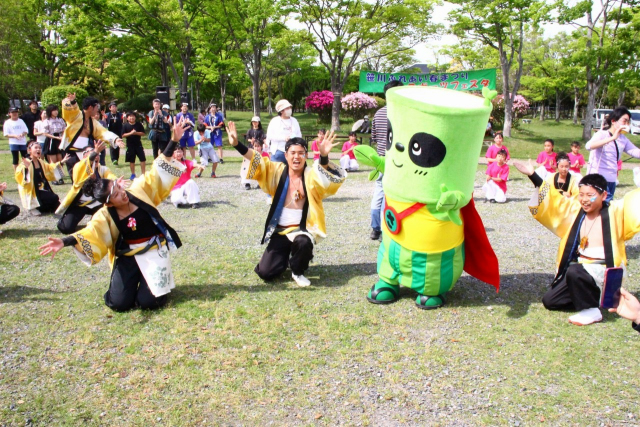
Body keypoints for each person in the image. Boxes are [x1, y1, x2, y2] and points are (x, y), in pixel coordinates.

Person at [38, 119, 188, 312]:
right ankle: (134, 282)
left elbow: (156, 172)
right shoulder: (105, 215)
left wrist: (173, 140)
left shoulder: (137, 190)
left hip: (153, 250)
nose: (122, 194)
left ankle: (152, 286)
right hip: (128, 255)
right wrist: (64, 241)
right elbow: (92, 232)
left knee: (148, 303)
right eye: (117, 194)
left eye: (119, 188)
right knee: (118, 303)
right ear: (108, 203)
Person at [513, 160, 640, 326]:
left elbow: (634, 203)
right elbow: (554, 200)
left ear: (603, 195)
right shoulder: (575, 210)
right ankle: (594, 299)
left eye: (590, 195)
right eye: (581, 195)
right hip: (582, 271)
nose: (584, 200)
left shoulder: (616, 211)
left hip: (605, 270)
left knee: (574, 271)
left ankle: (592, 310)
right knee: (550, 301)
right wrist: (532, 175)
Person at [227, 121, 347, 287]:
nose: (296, 157)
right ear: (286, 155)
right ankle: (287, 258)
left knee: (303, 242)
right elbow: (257, 160)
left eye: (301, 153)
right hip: (281, 231)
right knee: (266, 273)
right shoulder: (276, 171)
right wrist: (236, 144)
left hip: (302, 230)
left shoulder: (311, 176)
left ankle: (297, 270)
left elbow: (325, 178)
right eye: (293, 153)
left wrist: (324, 157)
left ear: (306, 155)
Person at [55, 142, 118, 234]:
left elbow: (111, 177)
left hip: (98, 203)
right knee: (66, 228)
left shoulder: (102, 169)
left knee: (107, 224)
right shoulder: (78, 167)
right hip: (81, 204)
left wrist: (116, 181)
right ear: (84, 156)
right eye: (92, 153)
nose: (96, 156)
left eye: (98, 154)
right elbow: (86, 163)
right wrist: (95, 152)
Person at [369, 80, 404, 240]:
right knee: (392, 194)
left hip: (380, 159)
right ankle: (386, 228)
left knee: (379, 191)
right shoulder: (402, 113)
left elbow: (374, 137)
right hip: (396, 159)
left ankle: (375, 228)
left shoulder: (378, 113)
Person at [60, 93, 124, 179]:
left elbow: (103, 132)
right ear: (90, 107)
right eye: (97, 107)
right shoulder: (76, 116)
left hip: (87, 153)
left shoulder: (93, 122)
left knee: (90, 178)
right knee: (77, 180)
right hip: (72, 153)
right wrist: (73, 102)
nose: (98, 110)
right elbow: (70, 112)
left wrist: (115, 139)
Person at [586, 107, 640, 202]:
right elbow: (589, 146)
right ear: (613, 121)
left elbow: (635, 151)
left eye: (628, 122)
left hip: (612, 179)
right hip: (598, 179)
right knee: (594, 205)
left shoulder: (623, 139)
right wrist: (612, 138)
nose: (626, 124)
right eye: (624, 121)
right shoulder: (602, 134)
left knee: (608, 207)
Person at [15, 141, 69, 216]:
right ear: (29, 150)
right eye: (36, 148)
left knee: (56, 204)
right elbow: (19, 175)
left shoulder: (40, 161)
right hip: (31, 189)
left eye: (40, 148)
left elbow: (49, 168)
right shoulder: (26, 162)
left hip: (41, 188)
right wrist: (26, 168)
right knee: (54, 197)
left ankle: (41, 207)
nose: (38, 149)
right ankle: (31, 208)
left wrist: (61, 162)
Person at [241, 117, 265, 189]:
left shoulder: (261, 131)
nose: (254, 123)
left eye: (256, 122)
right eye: (253, 122)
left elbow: (263, 139)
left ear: (258, 122)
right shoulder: (250, 130)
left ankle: (260, 182)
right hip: (250, 149)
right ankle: (247, 183)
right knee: (247, 165)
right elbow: (247, 138)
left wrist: (257, 142)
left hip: (258, 149)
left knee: (260, 165)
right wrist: (251, 140)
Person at [43, 104, 66, 176]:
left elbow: (64, 129)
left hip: (60, 139)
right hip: (51, 140)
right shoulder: (47, 121)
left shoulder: (60, 120)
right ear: (50, 111)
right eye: (54, 110)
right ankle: (54, 176)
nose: (56, 112)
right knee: (53, 160)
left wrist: (62, 136)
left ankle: (60, 176)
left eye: (56, 110)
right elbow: (45, 133)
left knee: (60, 158)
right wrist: (55, 137)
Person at [122, 111, 147, 180]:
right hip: (130, 145)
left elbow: (143, 133)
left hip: (138, 144)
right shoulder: (125, 125)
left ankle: (143, 174)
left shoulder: (139, 124)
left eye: (133, 116)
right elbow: (123, 135)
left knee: (142, 159)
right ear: (127, 118)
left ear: (135, 117)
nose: (132, 118)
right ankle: (133, 174)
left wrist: (136, 133)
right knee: (132, 160)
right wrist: (130, 133)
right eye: (130, 116)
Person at [4, 107, 29, 171]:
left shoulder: (21, 121)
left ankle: (26, 171)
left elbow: (26, 130)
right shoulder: (7, 122)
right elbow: (6, 134)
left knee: (25, 157)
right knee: (15, 159)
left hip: (22, 142)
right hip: (13, 143)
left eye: (16, 112)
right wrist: (15, 136)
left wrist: (22, 134)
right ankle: (16, 172)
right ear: (9, 113)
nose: (15, 114)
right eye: (13, 112)